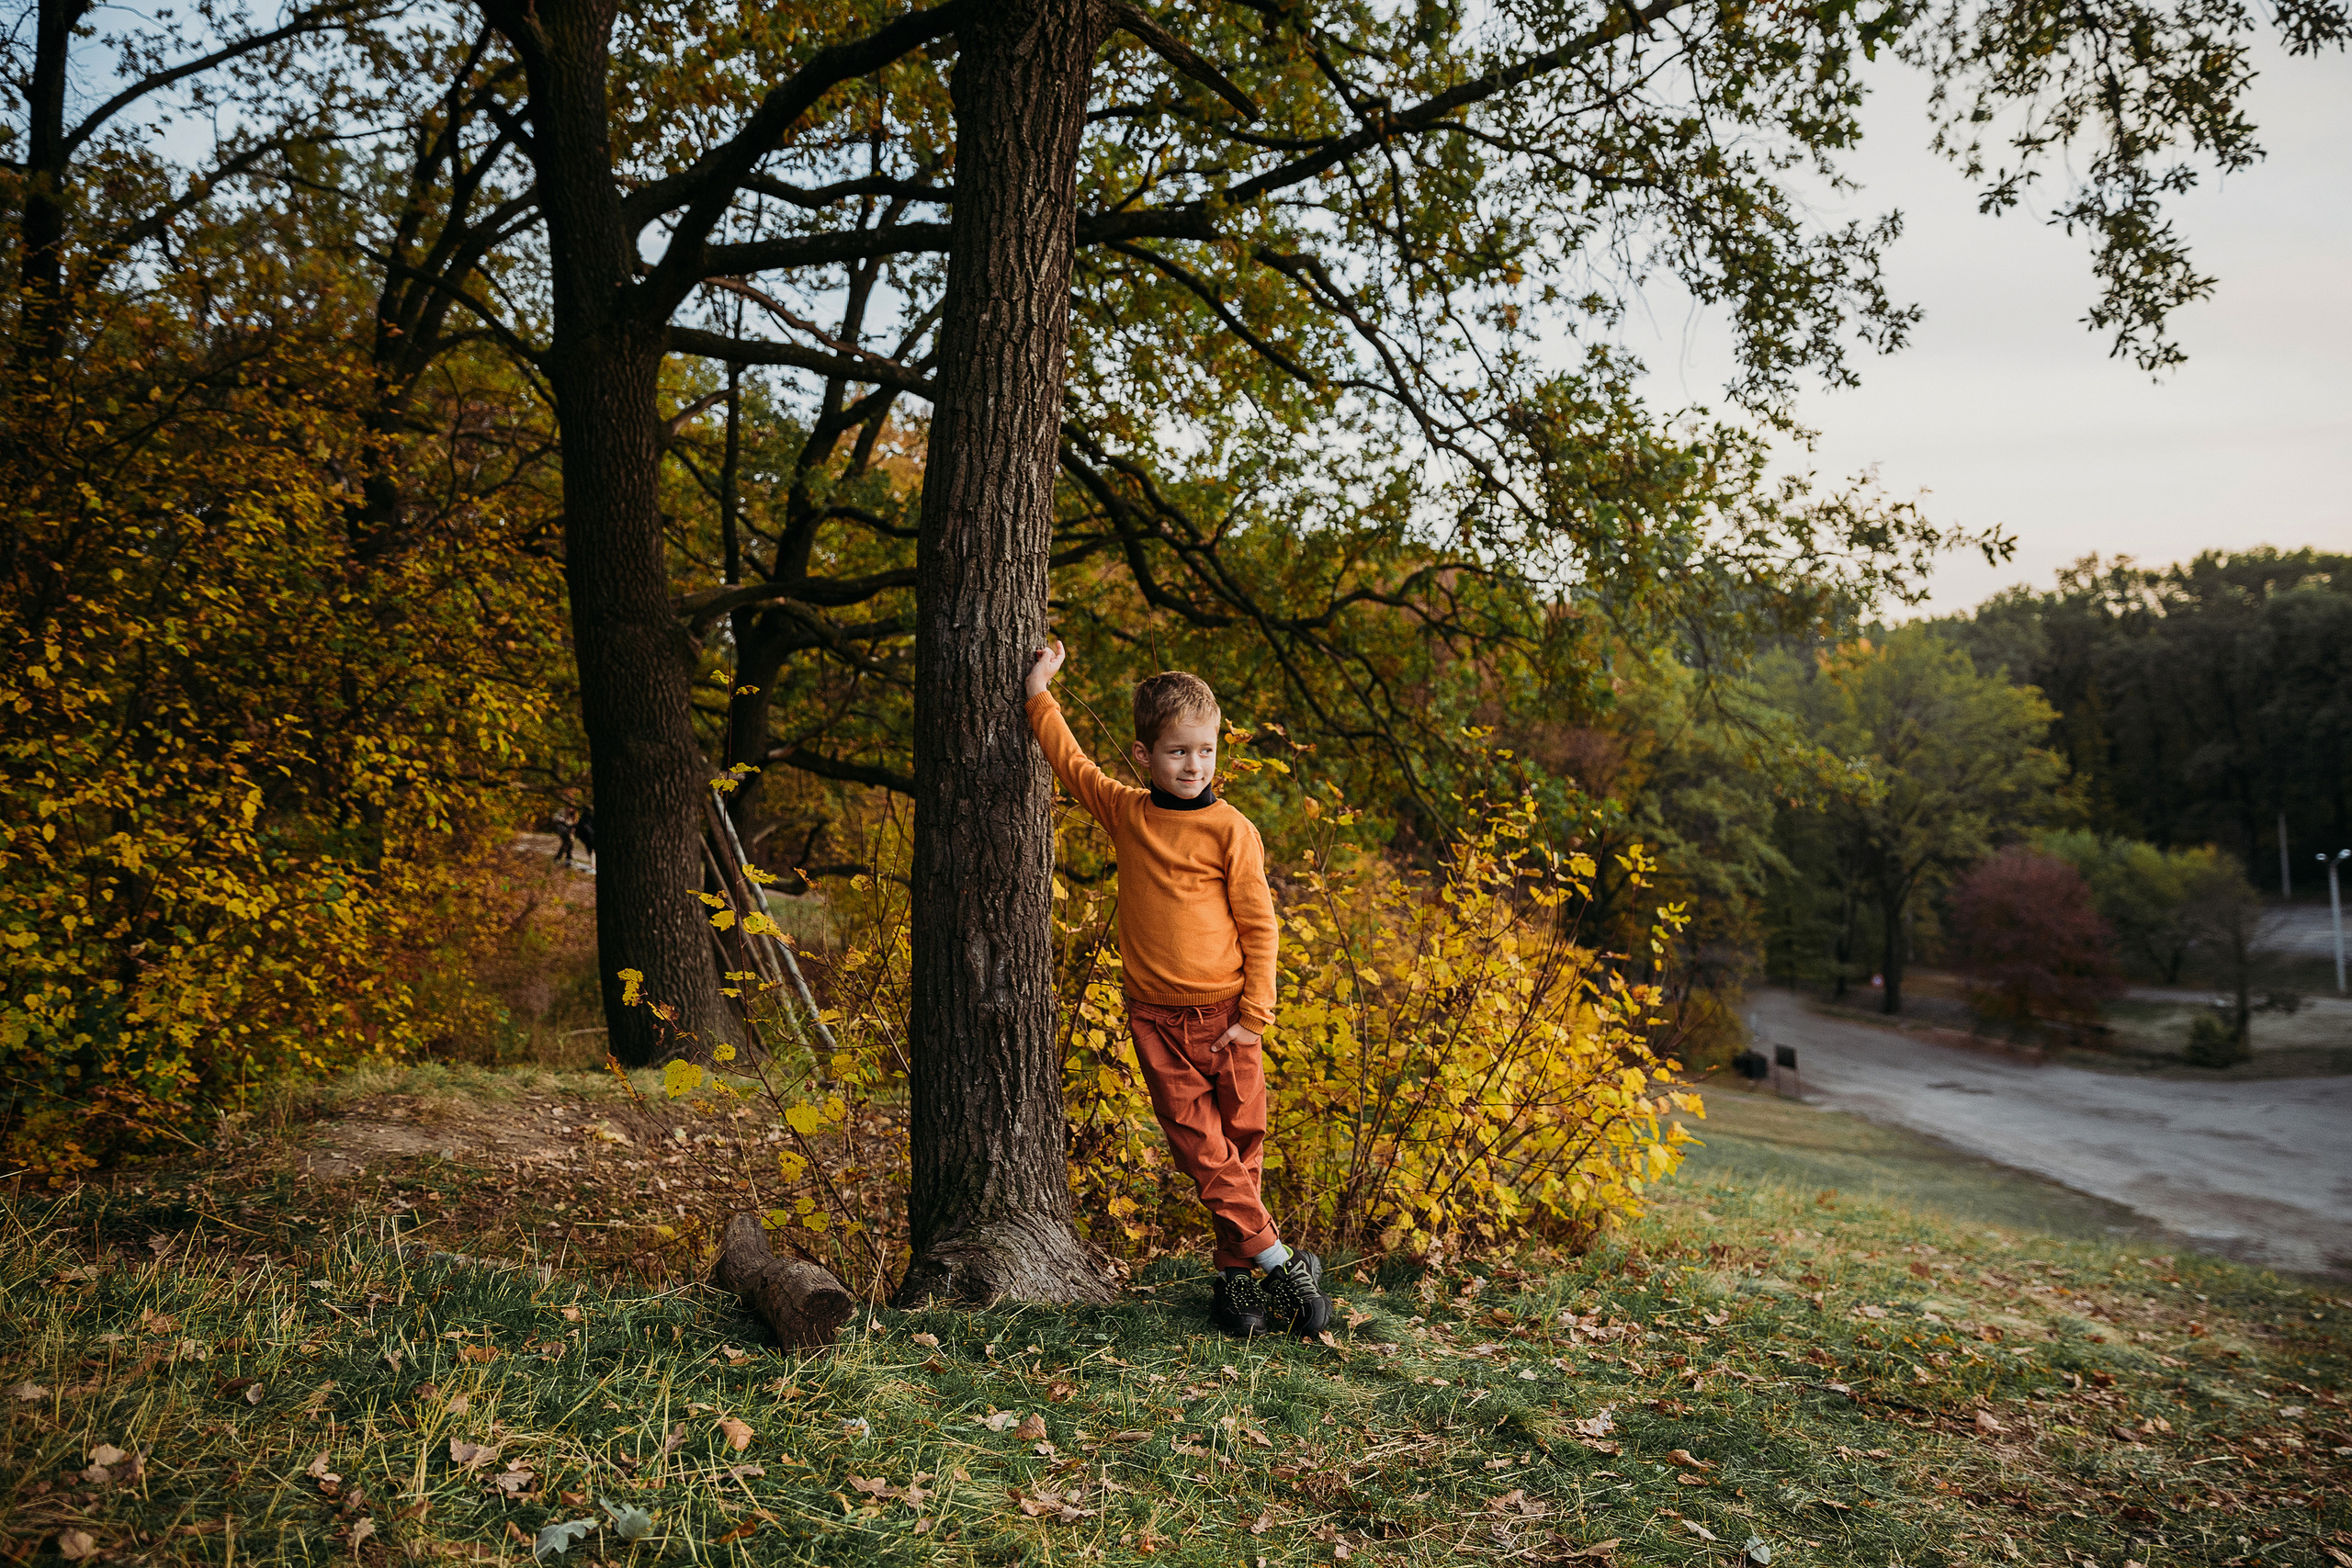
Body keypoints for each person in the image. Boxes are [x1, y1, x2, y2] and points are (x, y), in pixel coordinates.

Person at [1024, 640, 1332, 1338]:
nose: (1194, 765)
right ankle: (1282, 1264)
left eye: (1205, 751)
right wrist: (1039, 691)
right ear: (1144, 755)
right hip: (1158, 1022)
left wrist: (1254, 1017)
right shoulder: (1128, 812)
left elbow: (1261, 927)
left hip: (1230, 1019)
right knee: (1203, 1151)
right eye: (1177, 752)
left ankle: (1233, 1285)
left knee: (1242, 1148)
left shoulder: (1233, 830)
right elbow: (1071, 763)